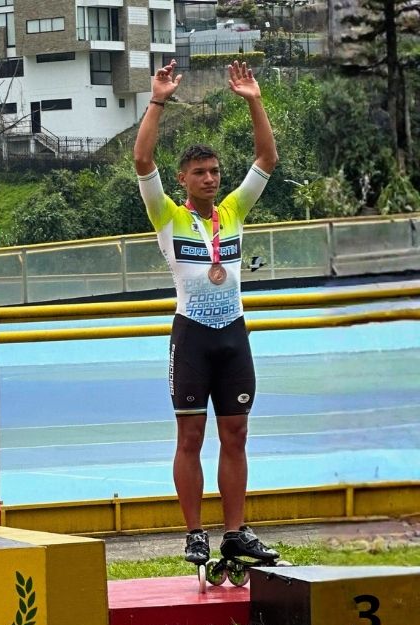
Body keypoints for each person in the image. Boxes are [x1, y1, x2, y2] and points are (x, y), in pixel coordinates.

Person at [133, 60, 280, 573]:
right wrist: (158, 100)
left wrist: (253, 100)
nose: (210, 178)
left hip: (233, 335)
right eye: (200, 173)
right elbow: (142, 158)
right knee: (191, 438)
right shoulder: (167, 215)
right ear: (183, 179)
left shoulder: (234, 210)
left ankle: (235, 533)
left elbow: (266, 156)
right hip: (191, 336)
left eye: (215, 171)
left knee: (236, 434)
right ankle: (195, 533)